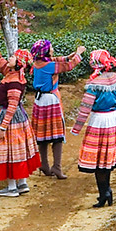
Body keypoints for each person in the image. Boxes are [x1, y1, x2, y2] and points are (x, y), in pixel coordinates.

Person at [0, 44, 41, 197]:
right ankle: (22, 183)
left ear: (18, 63)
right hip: (19, 119)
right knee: (19, 150)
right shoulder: (12, 74)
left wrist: (3, 127)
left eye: (13, 57)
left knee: (9, 151)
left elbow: (12, 106)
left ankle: (11, 188)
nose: (9, 58)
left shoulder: (14, 82)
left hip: (10, 119)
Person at [76, 50, 116, 207]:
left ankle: (104, 193)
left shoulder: (94, 84)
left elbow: (85, 107)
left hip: (99, 121)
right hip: (114, 119)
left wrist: (77, 127)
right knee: (107, 158)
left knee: (98, 158)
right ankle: (106, 191)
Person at [27, 38, 82, 179]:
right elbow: (68, 66)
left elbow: (56, 60)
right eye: (50, 48)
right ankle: (56, 167)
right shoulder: (50, 66)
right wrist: (78, 55)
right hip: (51, 100)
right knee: (57, 134)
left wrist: (67, 56)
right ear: (45, 51)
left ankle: (44, 165)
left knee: (42, 134)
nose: (52, 49)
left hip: (39, 101)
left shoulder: (36, 64)